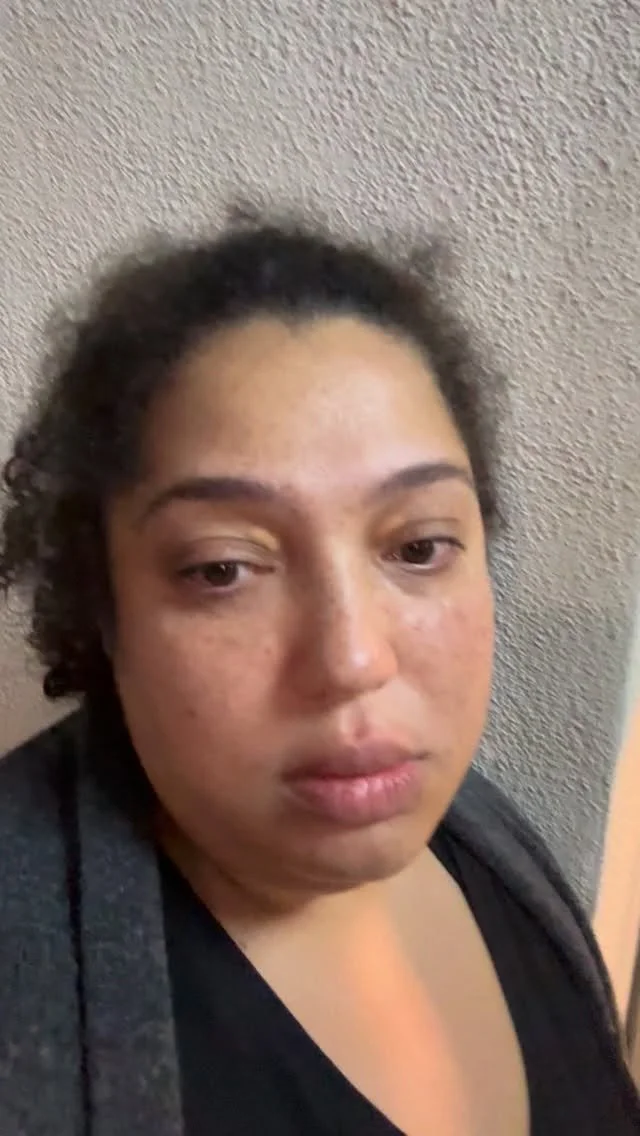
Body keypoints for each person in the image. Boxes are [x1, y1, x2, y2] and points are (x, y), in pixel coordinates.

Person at [0, 211, 637, 1136]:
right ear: (104, 610)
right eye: (223, 568)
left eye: (419, 547)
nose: (353, 660)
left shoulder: (498, 852)